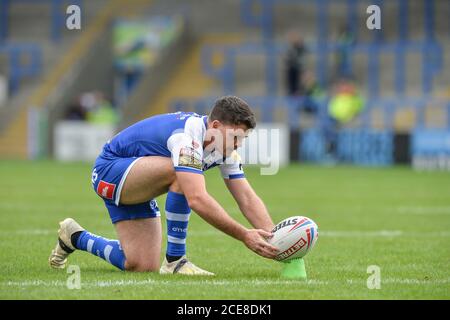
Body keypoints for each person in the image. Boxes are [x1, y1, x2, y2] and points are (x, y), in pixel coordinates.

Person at [49, 96, 279, 275]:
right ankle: (176, 262)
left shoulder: (223, 146)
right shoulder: (187, 139)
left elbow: (246, 198)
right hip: (111, 171)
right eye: (235, 137)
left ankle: (75, 237)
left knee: (140, 264)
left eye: (243, 139)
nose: (238, 145)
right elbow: (196, 198)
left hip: (135, 178)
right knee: (182, 174)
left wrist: (276, 240)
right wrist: (244, 235)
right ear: (216, 126)